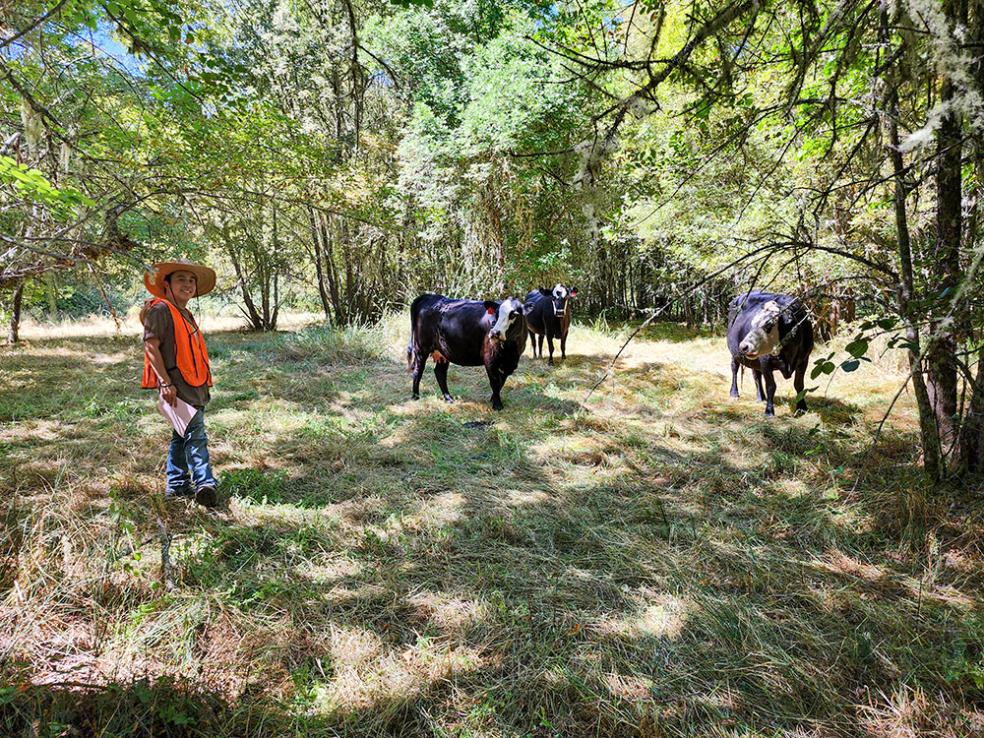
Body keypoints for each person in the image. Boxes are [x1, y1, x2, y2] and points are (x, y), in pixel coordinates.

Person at [140, 260, 219, 507]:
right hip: (176, 383)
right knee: (196, 434)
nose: (187, 284)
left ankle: (176, 486)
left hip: (194, 381)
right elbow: (150, 345)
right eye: (181, 279)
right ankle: (205, 483)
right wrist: (165, 383)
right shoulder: (161, 309)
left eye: (191, 280)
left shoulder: (184, 312)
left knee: (182, 434)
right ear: (167, 284)